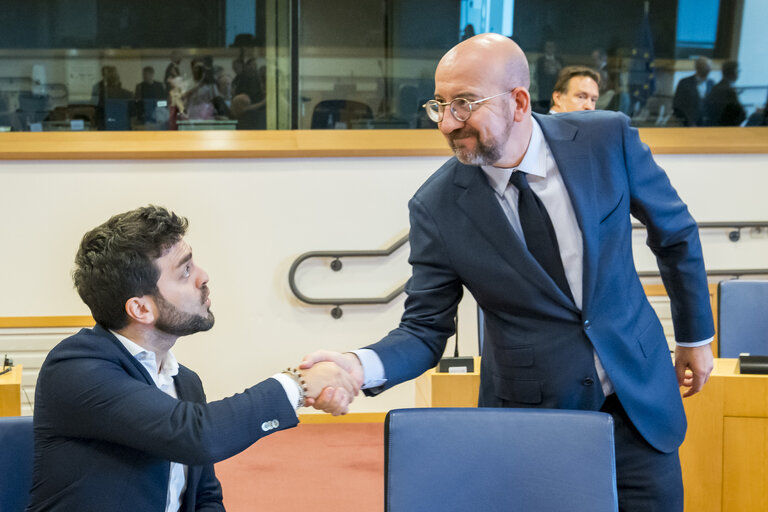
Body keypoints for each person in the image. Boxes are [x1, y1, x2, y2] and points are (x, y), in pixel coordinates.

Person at [303, 33, 714, 511]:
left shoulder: (607, 139)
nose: (448, 123)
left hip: (639, 400)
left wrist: (695, 337)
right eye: (439, 105)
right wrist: (358, 365)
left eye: (464, 104)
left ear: (519, 101)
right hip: (532, 420)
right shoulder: (436, 207)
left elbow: (675, 233)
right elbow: (423, 330)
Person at [27, 205, 356, 511]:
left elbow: (206, 497)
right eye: (184, 271)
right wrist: (300, 383)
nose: (203, 276)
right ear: (140, 308)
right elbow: (199, 436)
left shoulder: (184, 382)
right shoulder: (75, 368)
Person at [672, 56, 714, 126]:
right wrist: (687, 121)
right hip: (688, 124)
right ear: (697, 68)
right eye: (706, 67)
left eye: (710, 67)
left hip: (707, 125)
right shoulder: (684, 83)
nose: (709, 70)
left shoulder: (711, 83)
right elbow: (677, 105)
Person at [704, 60, 746, 126]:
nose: (739, 73)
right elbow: (742, 115)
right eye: (738, 71)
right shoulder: (730, 91)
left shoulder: (715, 87)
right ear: (733, 73)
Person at [535, 40, 563, 111]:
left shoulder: (559, 60)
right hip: (543, 89)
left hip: (555, 87)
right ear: (545, 48)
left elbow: (563, 75)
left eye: (552, 47)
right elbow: (537, 75)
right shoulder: (540, 60)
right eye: (548, 47)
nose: (550, 48)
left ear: (555, 48)